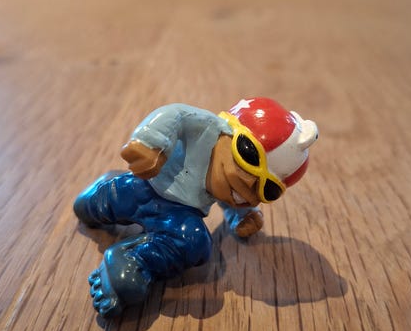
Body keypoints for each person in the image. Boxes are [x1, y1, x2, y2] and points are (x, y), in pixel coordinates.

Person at [74, 97, 318, 318]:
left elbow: (231, 195)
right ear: (228, 129)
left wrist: (242, 215)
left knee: (195, 243)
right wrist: (151, 143)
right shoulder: (206, 128)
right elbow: (175, 114)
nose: (249, 183)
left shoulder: (234, 187)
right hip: (144, 185)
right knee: (88, 207)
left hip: (180, 216)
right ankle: (104, 189)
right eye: (249, 156)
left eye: (268, 189)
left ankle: (133, 258)